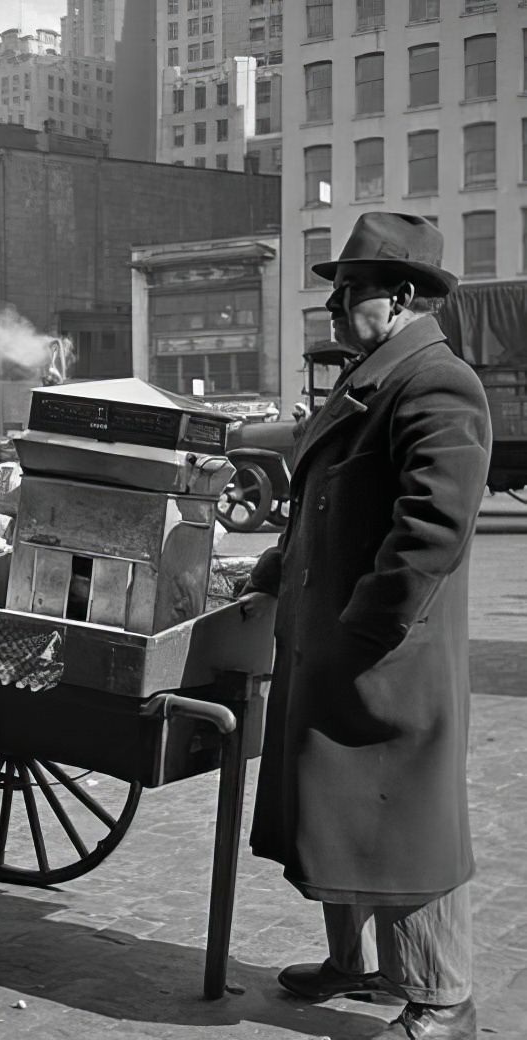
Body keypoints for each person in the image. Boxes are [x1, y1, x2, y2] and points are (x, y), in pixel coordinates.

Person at [240, 213, 491, 1040]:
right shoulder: (369, 377)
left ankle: (442, 997)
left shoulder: (435, 382)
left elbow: (433, 528)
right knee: (337, 813)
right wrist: (275, 572)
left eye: (351, 292)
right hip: (337, 645)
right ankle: (356, 965)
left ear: (406, 297)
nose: (337, 307)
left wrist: (366, 627)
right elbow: (321, 503)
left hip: (384, 655)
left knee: (402, 825)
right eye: (336, 293)